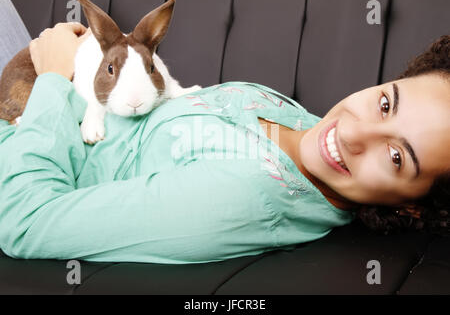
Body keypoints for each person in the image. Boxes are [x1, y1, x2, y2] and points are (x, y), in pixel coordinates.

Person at [0, 17, 448, 263]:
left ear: (410, 205)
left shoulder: (241, 197)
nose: (351, 132)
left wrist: (57, 75)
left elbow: (24, 221)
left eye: (395, 156)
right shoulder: (311, 126)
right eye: (386, 104)